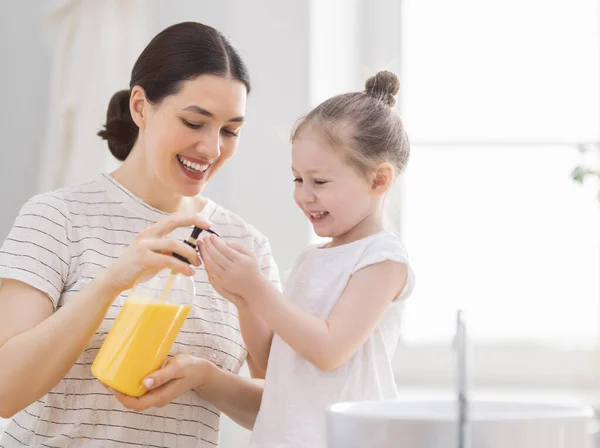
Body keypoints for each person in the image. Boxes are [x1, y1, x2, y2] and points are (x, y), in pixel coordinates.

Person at [0, 21, 280, 448]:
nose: (211, 149)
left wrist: (204, 378)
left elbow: (282, 407)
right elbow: (5, 390)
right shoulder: (58, 217)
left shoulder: (247, 246)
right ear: (140, 106)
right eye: (193, 122)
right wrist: (114, 280)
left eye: (229, 130)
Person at [199, 70, 416, 448]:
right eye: (298, 179)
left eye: (320, 181)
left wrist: (258, 288)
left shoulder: (383, 260)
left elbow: (329, 350)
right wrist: (244, 300)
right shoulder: (311, 258)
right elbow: (270, 363)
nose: (303, 196)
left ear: (379, 181)